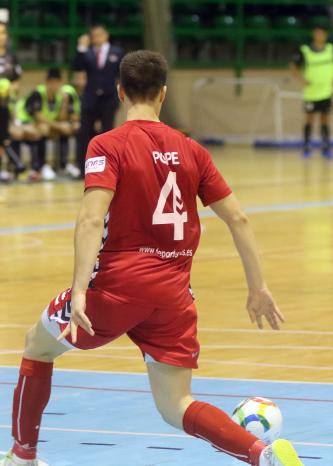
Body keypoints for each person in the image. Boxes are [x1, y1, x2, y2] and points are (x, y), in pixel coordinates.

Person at [1, 51, 303, 466]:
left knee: (37, 347)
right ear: (163, 93)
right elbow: (240, 219)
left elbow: (91, 219)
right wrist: (258, 288)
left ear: (121, 92)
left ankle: (23, 455)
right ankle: (260, 454)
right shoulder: (192, 150)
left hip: (119, 287)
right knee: (176, 405)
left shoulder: (108, 145)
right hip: (174, 295)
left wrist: (80, 290)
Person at [71, 24, 124, 178]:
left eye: (100, 35)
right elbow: (76, 67)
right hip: (90, 98)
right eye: (94, 36)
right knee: (85, 133)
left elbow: (123, 73)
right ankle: (83, 169)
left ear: (106, 35)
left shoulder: (117, 52)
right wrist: (80, 48)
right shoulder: (86, 54)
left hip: (109, 98)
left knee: (108, 133)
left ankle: (109, 169)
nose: (97, 38)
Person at [12, 68, 81, 181]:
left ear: (60, 82)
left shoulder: (63, 94)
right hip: (23, 122)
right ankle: (39, 167)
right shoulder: (38, 93)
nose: (54, 85)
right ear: (47, 82)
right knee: (43, 129)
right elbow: (39, 118)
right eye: (51, 82)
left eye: (57, 82)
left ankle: (64, 165)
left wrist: (64, 103)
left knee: (66, 129)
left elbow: (62, 119)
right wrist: (59, 126)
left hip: (47, 125)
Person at [289, 25, 333, 159]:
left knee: (325, 119)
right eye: (317, 33)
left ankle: (326, 147)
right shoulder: (305, 50)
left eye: (322, 33)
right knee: (309, 118)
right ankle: (307, 146)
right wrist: (302, 80)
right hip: (311, 93)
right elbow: (292, 67)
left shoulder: (332, 49)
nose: (319, 35)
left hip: (326, 92)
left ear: (325, 35)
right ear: (313, 34)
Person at [0, 22, 24, 182]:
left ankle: (2, 169)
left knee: (3, 137)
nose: (1, 36)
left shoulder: (11, 56)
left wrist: (10, 89)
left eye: (3, 33)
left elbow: (16, 81)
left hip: (4, 105)